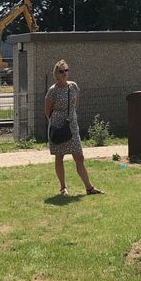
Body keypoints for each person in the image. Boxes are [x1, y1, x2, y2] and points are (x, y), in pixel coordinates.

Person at [44, 60, 102, 197]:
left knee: (79, 156)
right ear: (56, 74)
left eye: (66, 70)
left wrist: (70, 117)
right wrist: (57, 123)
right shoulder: (53, 91)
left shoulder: (73, 86)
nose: (64, 73)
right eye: (61, 71)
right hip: (58, 127)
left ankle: (89, 187)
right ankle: (63, 188)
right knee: (59, 157)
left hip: (72, 125)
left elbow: (76, 103)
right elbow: (47, 111)